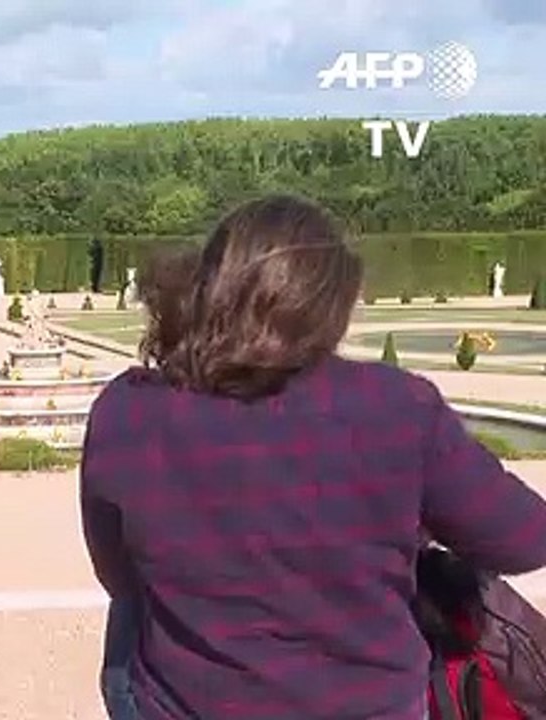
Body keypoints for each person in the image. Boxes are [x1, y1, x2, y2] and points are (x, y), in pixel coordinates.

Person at [79, 194, 546, 720]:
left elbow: (117, 573)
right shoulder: (396, 406)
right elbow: (524, 539)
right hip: (366, 704)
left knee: (132, 612)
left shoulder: (128, 409)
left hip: (184, 703)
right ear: (332, 304)